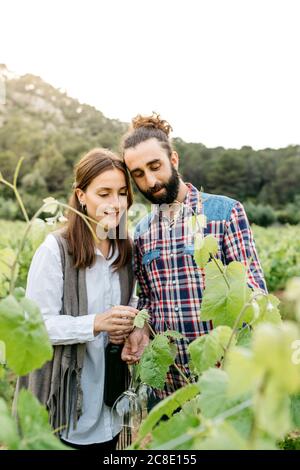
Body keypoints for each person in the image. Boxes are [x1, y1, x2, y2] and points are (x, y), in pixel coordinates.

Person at [121, 113, 267, 399]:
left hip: (223, 382)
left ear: (173, 160)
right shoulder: (141, 232)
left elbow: (254, 294)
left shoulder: (224, 213)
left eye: (155, 166)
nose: (150, 181)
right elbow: (149, 299)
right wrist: (140, 329)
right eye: (138, 173)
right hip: (169, 386)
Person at [14, 148, 138, 451]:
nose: (115, 203)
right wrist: (96, 323)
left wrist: (132, 325)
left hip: (109, 400)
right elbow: (37, 326)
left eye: (122, 193)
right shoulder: (55, 250)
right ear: (81, 196)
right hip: (66, 402)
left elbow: (135, 301)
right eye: (104, 193)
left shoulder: (126, 249)